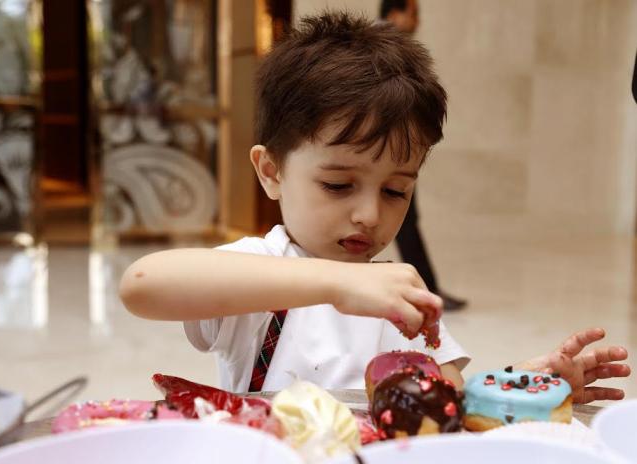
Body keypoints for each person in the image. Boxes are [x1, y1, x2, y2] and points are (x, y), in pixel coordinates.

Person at [119, 12, 630, 400]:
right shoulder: (260, 268)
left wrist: (526, 383)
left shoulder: (398, 295)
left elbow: (449, 398)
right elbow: (143, 284)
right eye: (338, 185)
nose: (369, 214)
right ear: (272, 172)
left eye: (395, 191)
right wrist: (336, 284)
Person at [380, 0, 467, 311]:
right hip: (387, 156)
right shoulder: (382, 48)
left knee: (406, 221)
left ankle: (427, 290)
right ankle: (427, 292)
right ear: (395, 14)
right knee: (403, 222)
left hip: (394, 154)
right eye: (413, 13)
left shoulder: (391, 46)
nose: (418, 20)